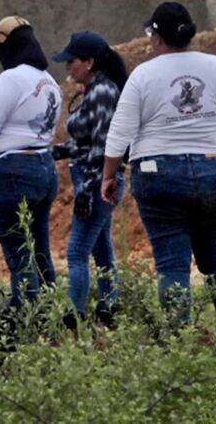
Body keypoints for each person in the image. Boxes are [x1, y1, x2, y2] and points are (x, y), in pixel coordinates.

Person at [102, 2, 216, 321]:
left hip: (158, 175)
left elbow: (120, 132)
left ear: (157, 38)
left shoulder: (144, 74)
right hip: (215, 168)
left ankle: (179, 343)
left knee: (172, 264)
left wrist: (108, 174)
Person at [0, 16, 62, 311]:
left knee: (19, 254)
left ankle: (25, 319)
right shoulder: (49, 81)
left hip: (12, 173)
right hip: (44, 167)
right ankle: (49, 314)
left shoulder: (10, 79)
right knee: (40, 250)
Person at [50, 31, 128, 328]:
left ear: (90, 62)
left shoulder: (102, 92)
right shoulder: (92, 91)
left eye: (72, 61)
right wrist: (54, 153)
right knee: (101, 248)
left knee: (77, 251)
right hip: (91, 175)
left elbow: (104, 144)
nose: (68, 67)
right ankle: (108, 310)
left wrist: (89, 187)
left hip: (97, 180)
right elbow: (84, 142)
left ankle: (74, 316)